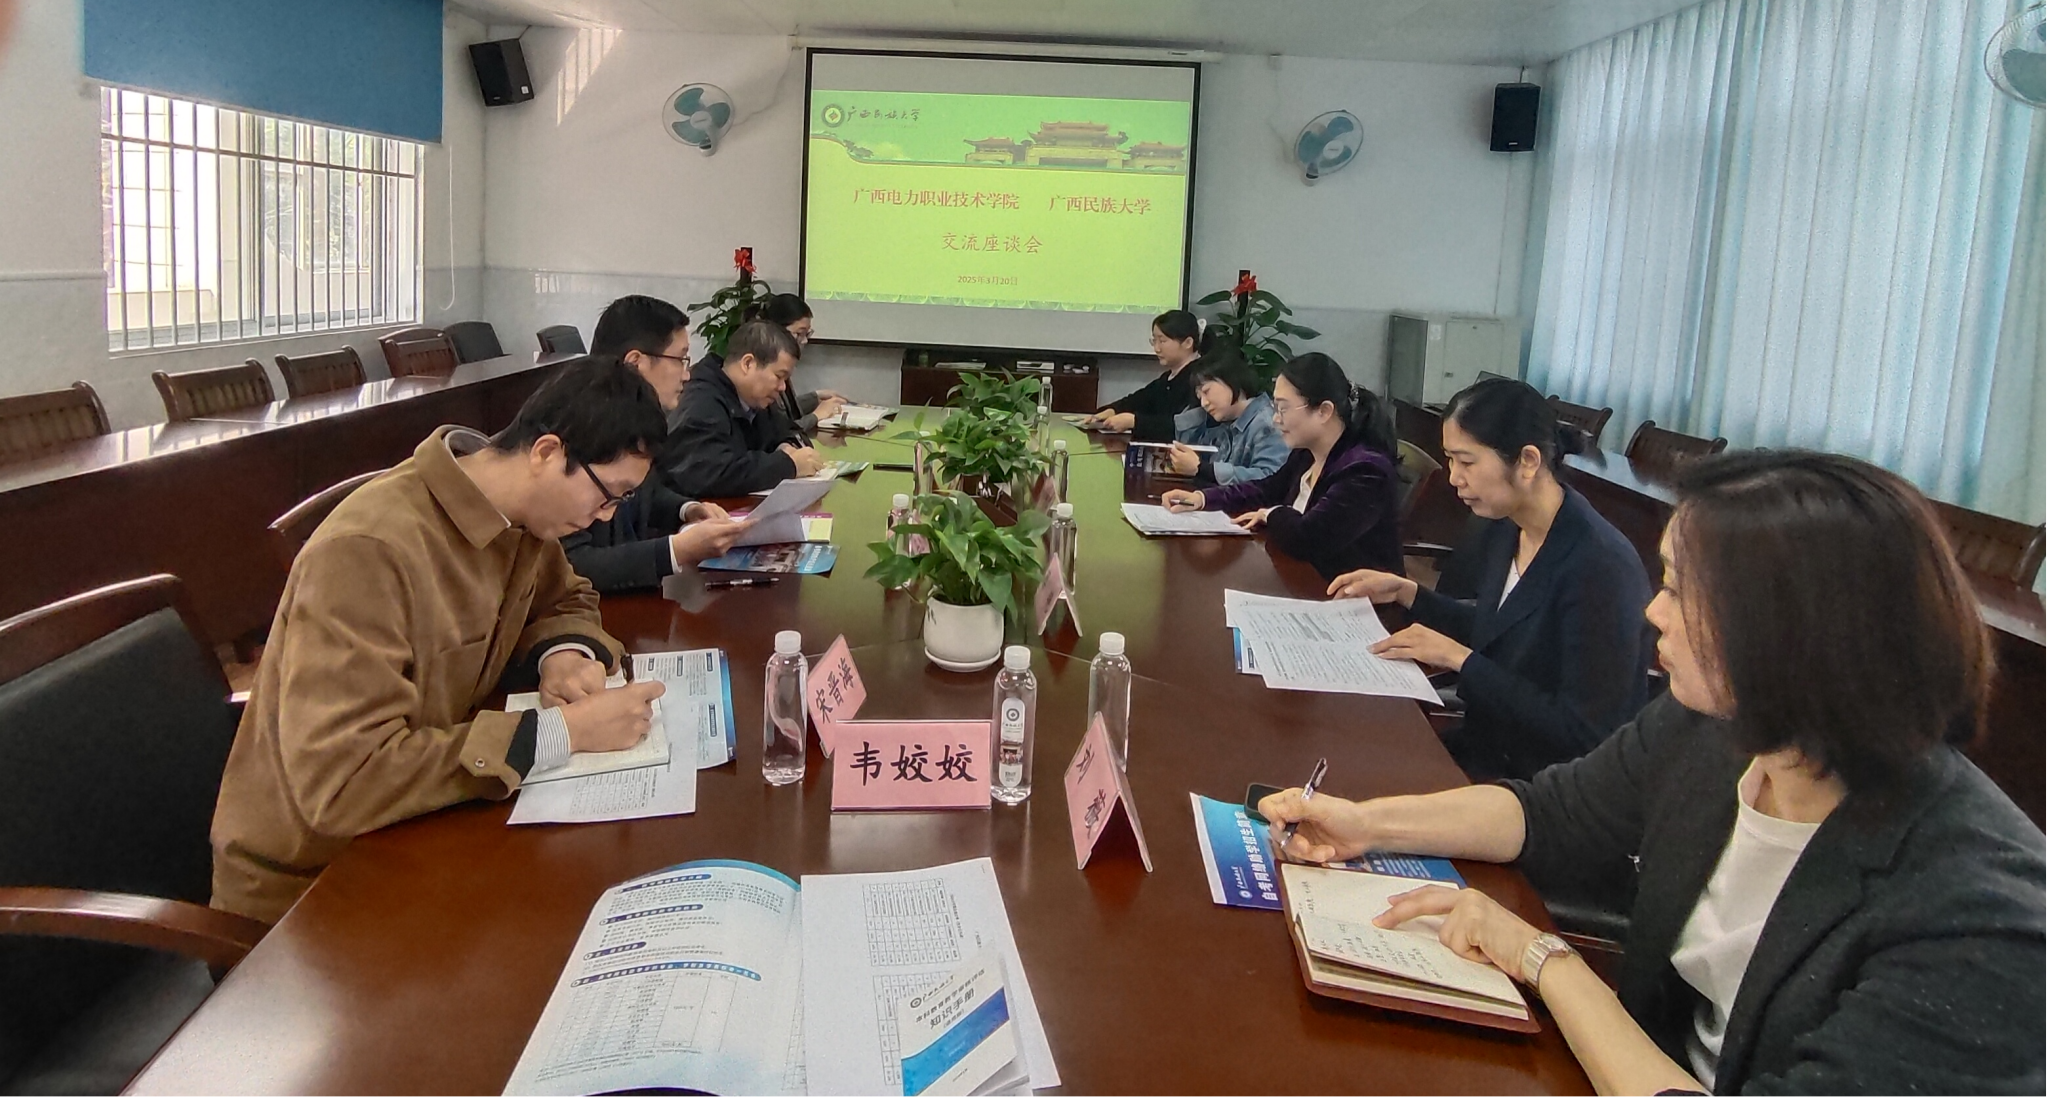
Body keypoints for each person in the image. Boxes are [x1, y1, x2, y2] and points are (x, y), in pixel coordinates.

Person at [1260, 450, 2046, 1097]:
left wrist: (1543, 958)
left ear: (1795, 633)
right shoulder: (1719, 728)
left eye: (1679, 589)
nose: (1652, 612)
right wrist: (1368, 822)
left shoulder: (1983, 921)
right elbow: (1549, 810)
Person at [211, 358, 674, 923]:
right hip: (312, 886)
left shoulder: (519, 514)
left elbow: (566, 597)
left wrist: (564, 654)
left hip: (421, 830)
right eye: (609, 495)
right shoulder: (368, 550)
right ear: (547, 453)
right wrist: (564, 732)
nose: (605, 519)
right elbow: (344, 783)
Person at [1329, 377, 1651, 781]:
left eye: (1466, 462)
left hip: (1544, 782)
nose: (1453, 478)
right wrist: (1408, 592)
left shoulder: (1600, 566)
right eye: (1450, 460)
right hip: (1488, 745)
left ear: (1528, 461)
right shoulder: (1507, 525)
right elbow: (1505, 629)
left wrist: (1460, 660)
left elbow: (1584, 732)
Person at [562, 297, 752, 592]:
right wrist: (676, 550)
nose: (687, 374)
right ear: (635, 363)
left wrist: (688, 510)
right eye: (680, 359)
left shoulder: (630, 422)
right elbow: (572, 564)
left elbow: (644, 494)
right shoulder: (577, 429)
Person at [1160, 353, 1403, 579]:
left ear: (1324, 411)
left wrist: (1271, 514)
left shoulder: (1365, 470)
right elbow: (1265, 489)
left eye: (1283, 408)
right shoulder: (1307, 454)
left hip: (1353, 598)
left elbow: (1307, 539)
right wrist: (1203, 498)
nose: (1276, 419)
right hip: (1304, 580)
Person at [663, 319, 823, 498]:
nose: (782, 387)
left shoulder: (756, 399)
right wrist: (787, 465)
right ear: (748, 364)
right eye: (779, 376)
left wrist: (786, 446)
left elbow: (791, 431)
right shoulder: (701, 401)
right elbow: (710, 472)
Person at [1163, 352, 1287, 485]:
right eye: (1200, 397)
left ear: (1230, 379)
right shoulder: (1225, 422)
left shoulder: (1268, 423)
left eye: (1206, 391)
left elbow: (1270, 479)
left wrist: (1203, 469)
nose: (1204, 403)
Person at [1079, 309, 1201, 440]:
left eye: (1162, 341)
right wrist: (1112, 410)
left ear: (1188, 343)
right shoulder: (1168, 378)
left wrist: (1134, 422)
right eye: (1154, 341)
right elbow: (1139, 400)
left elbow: (1181, 426)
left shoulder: (1200, 378)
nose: (1156, 348)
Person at [745, 294, 847, 440]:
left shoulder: (780, 363)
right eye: (799, 333)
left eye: (807, 334)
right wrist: (816, 416)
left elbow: (784, 411)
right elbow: (778, 432)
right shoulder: (762, 366)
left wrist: (815, 397)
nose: (804, 341)